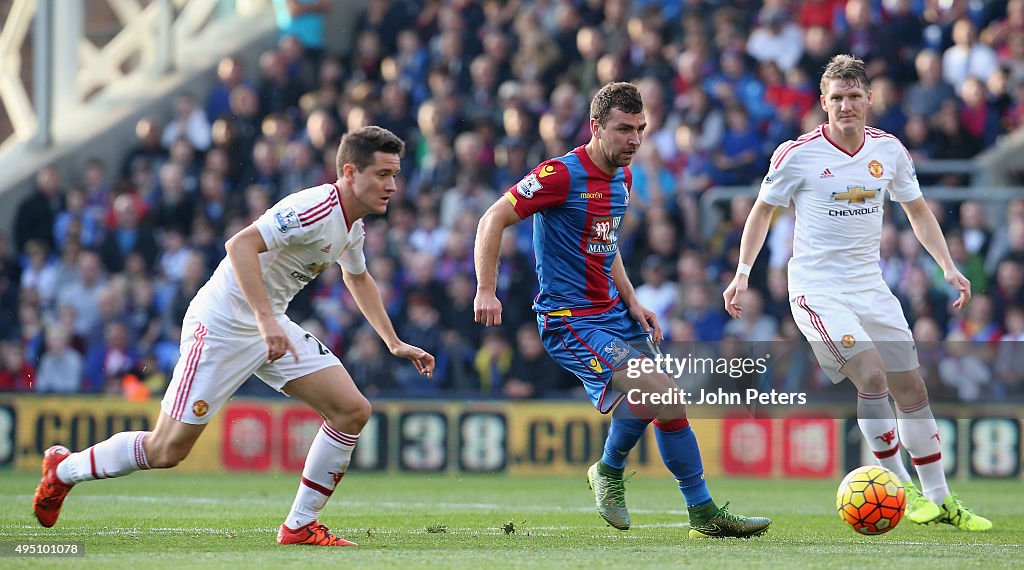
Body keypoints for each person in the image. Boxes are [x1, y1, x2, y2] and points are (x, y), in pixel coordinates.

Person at [33, 126, 436, 546]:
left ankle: (299, 526)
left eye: (395, 175)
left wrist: (393, 341)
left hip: (268, 325)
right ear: (350, 172)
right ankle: (62, 470)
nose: (392, 185)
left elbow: (358, 277)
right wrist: (265, 320)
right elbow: (239, 245)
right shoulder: (315, 207)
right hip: (223, 325)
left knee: (352, 410)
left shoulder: (352, 227)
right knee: (167, 450)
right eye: (383, 174)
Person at [474, 82, 770, 539]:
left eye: (641, 129)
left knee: (667, 404)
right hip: (568, 319)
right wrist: (486, 288)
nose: (634, 139)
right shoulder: (560, 174)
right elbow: (493, 218)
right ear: (596, 127)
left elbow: (605, 244)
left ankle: (694, 510)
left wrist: (633, 300)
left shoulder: (624, 177)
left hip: (612, 312)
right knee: (660, 390)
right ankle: (620, 475)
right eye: (624, 129)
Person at [723, 55, 991, 531]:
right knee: (871, 375)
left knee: (912, 387)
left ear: (870, 99)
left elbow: (919, 211)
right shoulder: (797, 154)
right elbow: (762, 211)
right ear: (823, 103)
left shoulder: (889, 151)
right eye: (837, 98)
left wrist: (948, 265)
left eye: (854, 97)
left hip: (871, 286)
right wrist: (743, 271)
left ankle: (941, 500)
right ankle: (898, 484)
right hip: (816, 290)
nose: (846, 106)